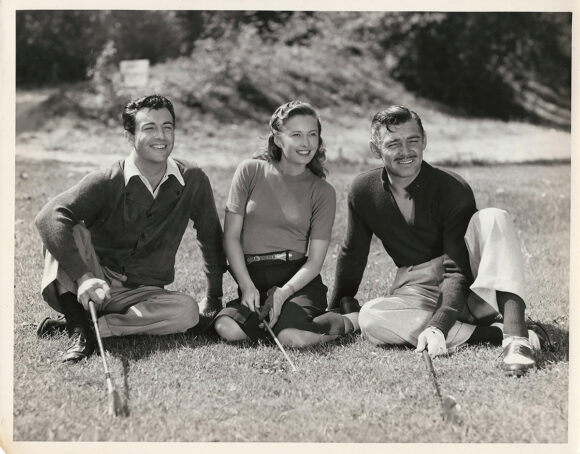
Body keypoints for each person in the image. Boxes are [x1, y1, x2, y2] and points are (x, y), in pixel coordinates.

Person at [329, 105, 541, 376]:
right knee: (370, 317)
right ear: (375, 149)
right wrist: (338, 304)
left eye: (413, 140)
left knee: (494, 217)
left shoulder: (452, 188)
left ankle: (516, 338)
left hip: (472, 287)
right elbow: (353, 251)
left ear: (425, 140)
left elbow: (457, 268)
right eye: (393, 143)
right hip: (417, 287)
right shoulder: (363, 190)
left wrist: (439, 325)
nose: (405, 152)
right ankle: (488, 334)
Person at [35, 94, 227, 362]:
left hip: (145, 294)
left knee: (187, 311)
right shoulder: (109, 179)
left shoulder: (192, 178)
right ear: (129, 136)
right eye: (149, 128)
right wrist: (84, 277)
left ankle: (89, 327)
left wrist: (215, 296)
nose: (161, 136)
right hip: (93, 284)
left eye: (167, 127)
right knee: (66, 230)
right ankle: (80, 328)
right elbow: (48, 216)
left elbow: (210, 235)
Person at [214, 101, 359, 347]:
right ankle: (274, 321)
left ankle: (350, 320)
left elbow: (314, 261)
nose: (307, 143)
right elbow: (231, 237)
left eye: (313, 134)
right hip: (254, 278)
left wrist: (283, 293)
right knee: (226, 327)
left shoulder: (322, 191)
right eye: (297, 135)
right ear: (279, 140)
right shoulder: (249, 171)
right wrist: (247, 286)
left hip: (296, 279)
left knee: (291, 337)